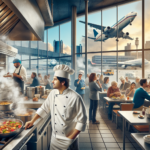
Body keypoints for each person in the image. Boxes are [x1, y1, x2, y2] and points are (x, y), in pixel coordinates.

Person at [25, 64, 87, 150]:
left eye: (55, 79)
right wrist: (32, 121)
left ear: (63, 82)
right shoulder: (53, 93)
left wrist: (70, 139)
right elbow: (44, 108)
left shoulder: (75, 97)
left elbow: (82, 121)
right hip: (54, 140)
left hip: (69, 141)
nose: (52, 81)